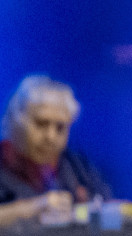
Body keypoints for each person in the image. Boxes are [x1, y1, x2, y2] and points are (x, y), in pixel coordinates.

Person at [0, 74, 110, 228]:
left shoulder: (77, 166)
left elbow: (107, 210)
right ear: (15, 121)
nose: (51, 137)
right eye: (41, 123)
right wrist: (29, 210)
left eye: (60, 127)